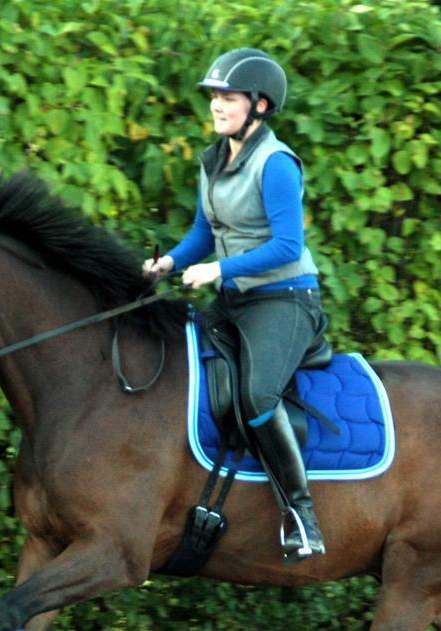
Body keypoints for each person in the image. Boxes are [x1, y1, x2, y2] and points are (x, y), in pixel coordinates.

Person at [144, 47, 329, 561]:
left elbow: (288, 246)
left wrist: (220, 270)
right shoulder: (214, 161)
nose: (216, 106)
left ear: (260, 105)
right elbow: (205, 232)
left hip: (286, 301)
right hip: (235, 301)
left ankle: (301, 516)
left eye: (228, 97)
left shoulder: (276, 165)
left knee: (257, 396)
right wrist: (171, 263)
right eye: (214, 97)